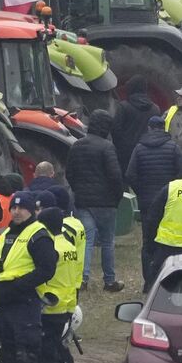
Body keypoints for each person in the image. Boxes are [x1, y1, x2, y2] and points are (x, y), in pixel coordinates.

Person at [0, 193, 60, 363]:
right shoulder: (7, 235)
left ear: (31, 210)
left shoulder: (37, 235)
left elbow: (47, 268)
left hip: (25, 302)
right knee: (11, 355)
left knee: (25, 355)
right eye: (14, 208)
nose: (17, 212)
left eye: (22, 208)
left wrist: (20, 286)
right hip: (5, 302)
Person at [33, 192, 84, 363]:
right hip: (66, 306)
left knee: (45, 357)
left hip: (48, 307)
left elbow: (43, 277)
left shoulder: (50, 247)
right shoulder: (69, 245)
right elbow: (74, 278)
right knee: (59, 352)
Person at [65, 111, 126, 293]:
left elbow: (69, 173)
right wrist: (117, 196)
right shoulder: (107, 147)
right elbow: (115, 175)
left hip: (83, 201)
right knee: (107, 242)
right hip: (106, 202)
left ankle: (82, 280)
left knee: (86, 241)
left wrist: (78, 190)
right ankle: (109, 280)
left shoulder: (76, 145)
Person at [126, 121, 182, 286]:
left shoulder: (139, 149)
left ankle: (149, 281)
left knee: (148, 240)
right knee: (169, 240)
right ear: (164, 128)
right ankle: (169, 278)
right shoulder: (174, 148)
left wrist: (141, 191)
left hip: (147, 201)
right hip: (170, 201)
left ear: (148, 128)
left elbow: (130, 174)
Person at [109, 77, 159, 172]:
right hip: (148, 152)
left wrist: (121, 146)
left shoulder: (123, 107)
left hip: (125, 154)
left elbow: (115, 129)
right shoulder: (155, 109)